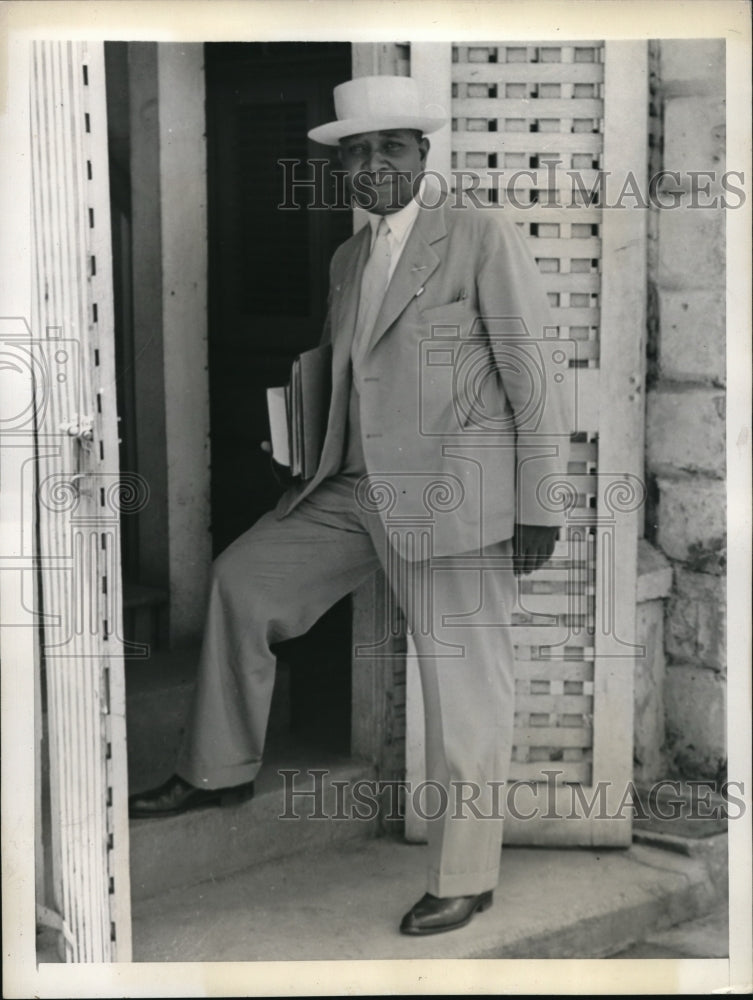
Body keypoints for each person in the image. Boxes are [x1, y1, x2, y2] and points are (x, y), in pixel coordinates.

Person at [129, 74, 570, 936]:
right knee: (242, 581)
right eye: (355, 151)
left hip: (453, 503)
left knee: (463, 693)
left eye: (389, 147)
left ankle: (465, 876)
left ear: (423, 156)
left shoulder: (478, 236)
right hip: (348, 487)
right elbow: (347, 367)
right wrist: (301, 444)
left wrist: (539, 503)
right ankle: (218, 769)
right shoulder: (348, 257)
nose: (371, 164)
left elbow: (531, 375)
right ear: (341, 166)